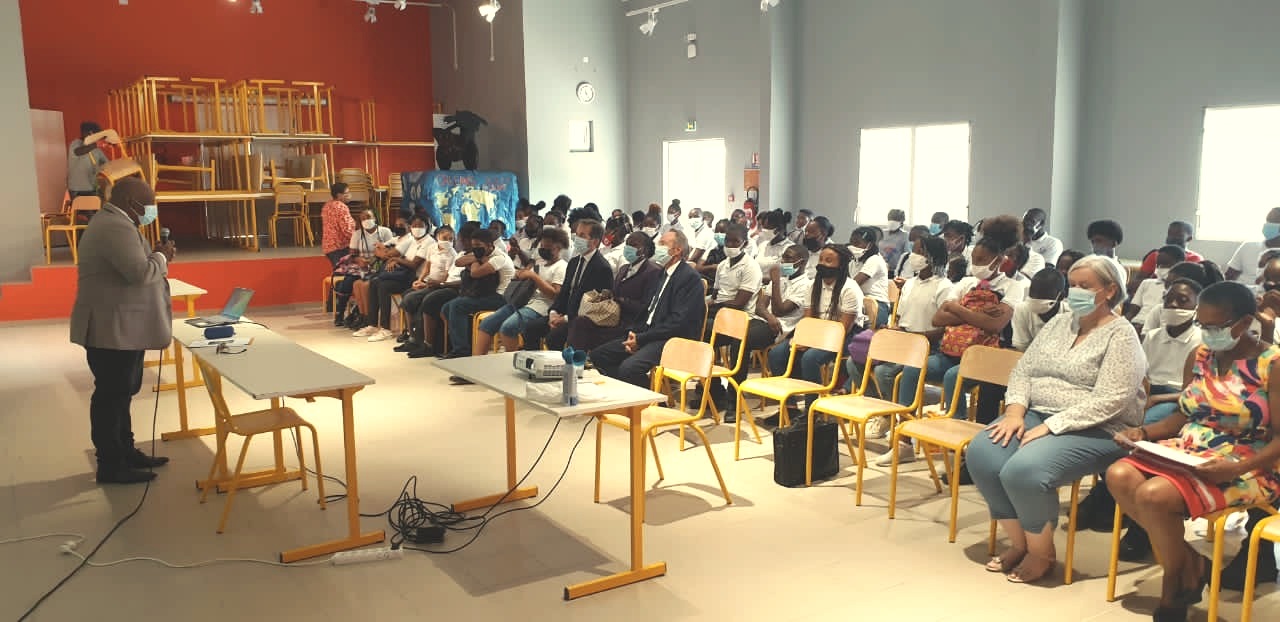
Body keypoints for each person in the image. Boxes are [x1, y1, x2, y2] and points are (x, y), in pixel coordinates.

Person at [1107, 282, 1280, 621]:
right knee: (1118, 474)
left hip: (1250, 462)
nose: (1209, 334)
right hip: (1189, 449)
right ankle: (1189, 563)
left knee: (1153, 496)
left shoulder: (1271, 365)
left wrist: (1235, 468)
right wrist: (1142, 433)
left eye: (1217, 326)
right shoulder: (1200, 356)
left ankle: (1174, 581)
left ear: (1245, 322)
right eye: (1203, 325)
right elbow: (1182, 415)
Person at [968, 255, 1146, 584]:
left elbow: (1112, 400)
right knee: (983, 453)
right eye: (1072, 285)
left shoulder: (1121, 335)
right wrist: (1015, 411)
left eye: (1085, 286)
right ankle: (1020, 543)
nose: (1075, 291)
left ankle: (1042, 553)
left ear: (1109, 290)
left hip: (1097, 427)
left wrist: (1052, 426)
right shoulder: (1058, 324)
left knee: (1024, 470)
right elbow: (1024, 369)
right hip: (1037, 413)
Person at [69, 177, 175, 484]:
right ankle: (111, 464)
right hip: (110, 330)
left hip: (121, 327)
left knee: (122, 393)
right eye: (149, 204)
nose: (152, 210)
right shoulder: (114, 227)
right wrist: (161, 256)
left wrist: (156, 256)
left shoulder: (118, 223)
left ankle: (126, 451)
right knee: (111, 396)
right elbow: (139, 273)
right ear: (131, 202)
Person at [871, 236, 954, 462]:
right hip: (906, 341)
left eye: (920, 252)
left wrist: (915, 336)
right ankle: (892, 416)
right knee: (873, 368)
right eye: (914, 250)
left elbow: (945, 328)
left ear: (932, 257)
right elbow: (901, 317)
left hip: (931, 346)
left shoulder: (944, 287)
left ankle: (904, 441)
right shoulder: (909, 283)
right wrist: (894, 329)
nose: (914, 256)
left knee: (907, 372)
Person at [590, 229, 707, 387]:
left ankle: (653, 400)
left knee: (629, 369)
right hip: (650, 334)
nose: (657, 246)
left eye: (662, 243)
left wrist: (641, 339)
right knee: (599, 356)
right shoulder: (661, 273)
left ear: (677, 250)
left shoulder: (689, 278)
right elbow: (649, 310)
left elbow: (677, 323)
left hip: (672, 339)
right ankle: (627, 394)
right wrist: (636, 335)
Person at [765, 244, 864, 424]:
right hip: (817, 330)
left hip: (843, 335)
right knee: (776, 354)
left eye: (829, 261)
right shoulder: (813, 285)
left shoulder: (850, 288)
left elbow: (843, 328)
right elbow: (808, 319)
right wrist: (803, 338)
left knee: (810, 358)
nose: (822, 264)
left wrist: (813, 342)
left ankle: (813, 410)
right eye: (821, 260)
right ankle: (789, 407)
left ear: (841, 265)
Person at [705, 224, 771, 418]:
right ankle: (714, 391)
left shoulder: (750, 267)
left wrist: (714, 307)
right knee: (701, 335)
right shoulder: (723, 265)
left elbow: (739, 303)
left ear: (745, 243)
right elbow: (715, 295)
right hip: (723, 315)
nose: (730, 245)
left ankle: (734, 398)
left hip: (744, 317)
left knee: (739, 343)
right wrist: (704, 304)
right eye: (728, 241)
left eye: (735, 241)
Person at [473, 228, 569, 357]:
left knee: (508, 327)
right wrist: (521, 274)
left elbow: (555, 294)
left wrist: (533, 277)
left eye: (548, 247)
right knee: (487, 324)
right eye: (542, 246)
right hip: (523, 301)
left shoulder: (561, 267)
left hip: (542, 306)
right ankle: (478, 360)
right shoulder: (540, 265)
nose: (543, 249)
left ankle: (512, 362)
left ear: (558, 248)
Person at [564, 231, 663, 351]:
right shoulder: (623, 269)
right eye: (627, 244)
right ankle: (573, 357)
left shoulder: (653, 271)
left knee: (586, 332)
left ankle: (579, 356)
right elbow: (615, 293)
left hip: (630, 324)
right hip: (612, 317)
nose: (629, 248)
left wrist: (620, 300)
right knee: (580, 321)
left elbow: (646, 306)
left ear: (645, 250)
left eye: (634, 245)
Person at [533, 219, 615, 351]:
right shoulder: (574, 262)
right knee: (531, 328)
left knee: (553, 338)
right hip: (563, 312)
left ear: (595, 241)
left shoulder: (602, 268)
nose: (577, 239)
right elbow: (564, 292)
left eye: (582, 235)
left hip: (581, 318)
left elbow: (596, 305)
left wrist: (566, 319)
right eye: (577, 234)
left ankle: (560, 363)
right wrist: (553, 312)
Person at [356, 214, 433, 342]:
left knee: (384, 286)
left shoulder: (428, 242)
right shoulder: (413, 240)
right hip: (405, 274)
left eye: (420, 226)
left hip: (416, 279)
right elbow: (403, 257)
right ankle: (372, 324)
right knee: (374, 282)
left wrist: (396, 259)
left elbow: (414, 264)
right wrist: (396, 261)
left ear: (428, 227)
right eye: (414, 225)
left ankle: (386, 328)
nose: (416, 228)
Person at [439, 229, 515, 358]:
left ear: (489, 245)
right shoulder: (481, 254)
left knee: (457, 305)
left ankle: (461, 351)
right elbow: (458, 262)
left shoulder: (499, 258)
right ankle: (464, 343)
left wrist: (473, 261)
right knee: (446, 308)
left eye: (478, 246)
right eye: (473, 246)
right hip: (488, 293)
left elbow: (475, 273)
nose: (475, 249)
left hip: (502, 297)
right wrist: (477, 258)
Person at [395, 225, 458, 355]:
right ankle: (412, 337)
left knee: (413, 298)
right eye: (444, 238)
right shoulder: (432, 248)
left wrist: (430, 285)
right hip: (428, 282)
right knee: (407, 296)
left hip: (439, 285)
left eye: (451, 239)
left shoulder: (452, 253)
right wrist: (420, 280)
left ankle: (424, 342)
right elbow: (427, 267)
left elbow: (447, 275)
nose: (447, 241)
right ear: (437, 237)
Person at [332, 209, 394, 327]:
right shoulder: (357, 234)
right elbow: (353, 254)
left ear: (375, 218)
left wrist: (376, 258)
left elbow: (391, 250)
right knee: (347, 282)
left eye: (368, 217)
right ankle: (340, 313)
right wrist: (359, 260)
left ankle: (360, 313)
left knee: (365, 285)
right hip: (361, 265)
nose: (366, 220)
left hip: (379, 264)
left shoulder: (385, 231)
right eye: (363, 219)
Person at [1130, 221, 1203, 294]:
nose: (1172, 238)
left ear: (1189, 238)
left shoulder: (1195, 259)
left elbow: (1194, 286)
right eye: (1170, 234)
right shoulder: (1156, 255)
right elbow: (1136, 282)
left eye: (1178, 235)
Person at [1127, 245, 1186, 324]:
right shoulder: (1146, 283)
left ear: (1179, 264)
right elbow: (1132, 312)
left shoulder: (1182, 290)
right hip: (1136, 322)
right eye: (1158, 264)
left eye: (1165, 264)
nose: (1160, 268)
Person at [1011, 268, 1066, 352]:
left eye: (1044, 294)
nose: (1036, 297)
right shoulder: (1022, 309)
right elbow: (1021, 346)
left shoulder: (1071, 314)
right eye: (1033, 292)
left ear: (1060, 297)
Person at [848, 226, 892, 327]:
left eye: (857, 243)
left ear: (870, 245)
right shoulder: (853, 261)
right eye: (851, 243)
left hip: (877, 305)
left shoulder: (875, 259)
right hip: (859, 302)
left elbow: (854, 284)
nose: (853, 246)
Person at [1226, 207, 1280, 288]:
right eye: (1267, 221)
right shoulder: (1248, 246)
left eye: (1273, 222)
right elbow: (1229, 276)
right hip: (1243, 293)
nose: (1268, 225)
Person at [68, 121, 110, 200]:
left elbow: (107, 164)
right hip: (78, 190)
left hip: (93, 188)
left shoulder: (97, 149)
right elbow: (78, 152)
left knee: (95, 208)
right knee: (82, 208)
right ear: (89, 133)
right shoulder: (76, 144)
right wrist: (96, 144)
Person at [321, 183, 356, 268]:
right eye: (347, 193)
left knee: (339, 271)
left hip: (329, 247)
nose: (349, 195)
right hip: (340, 247)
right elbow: (347, 229)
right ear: (339, 195)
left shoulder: (327, 206)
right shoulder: (341, 207)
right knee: (344, 273)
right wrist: (358, 240)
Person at [754, 209, 794, 273]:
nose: (763, 231)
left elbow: (788, 272)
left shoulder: (790, 248)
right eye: (763, 227)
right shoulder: (763, 244)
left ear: (779, 229)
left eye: (767, 228)